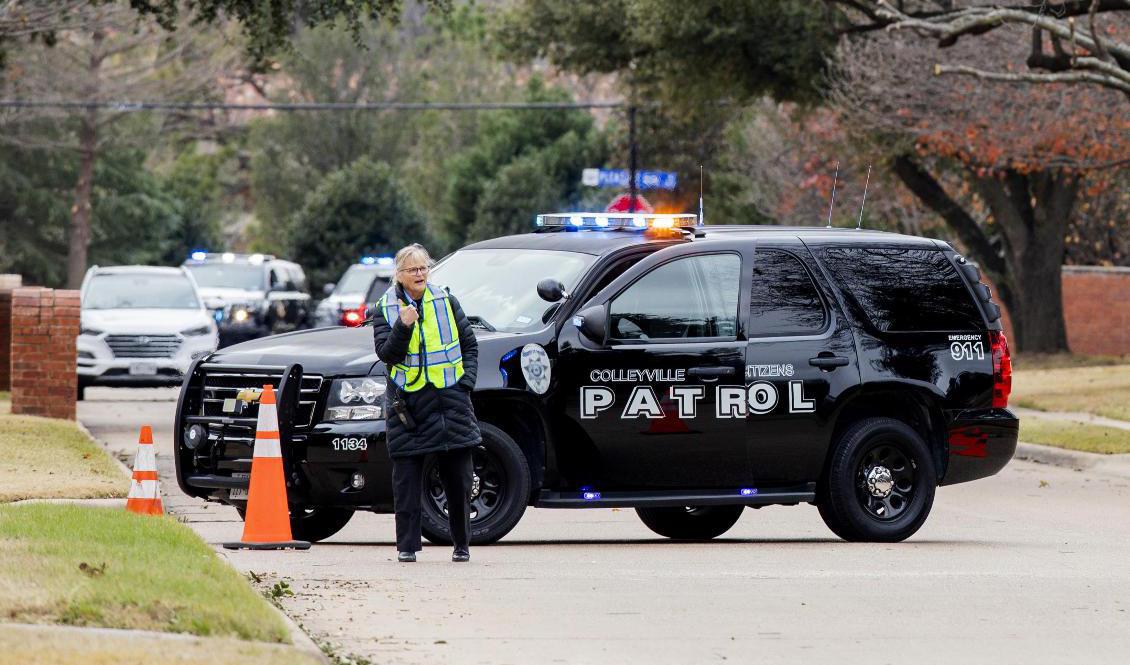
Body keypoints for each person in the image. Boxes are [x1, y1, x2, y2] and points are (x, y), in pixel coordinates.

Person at [372, 243, 480, 563]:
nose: (419, 274)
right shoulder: (386, 307)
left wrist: (466, 384)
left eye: (423, 268)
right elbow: (387, 355)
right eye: (412, 270)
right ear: (399, 276)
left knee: (459, 480)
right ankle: (407, 547)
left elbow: (469, 345)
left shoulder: (446, 300)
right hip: (408, 406)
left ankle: (462, 545)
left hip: (451, 401)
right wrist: (403, 326)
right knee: (406, 481)